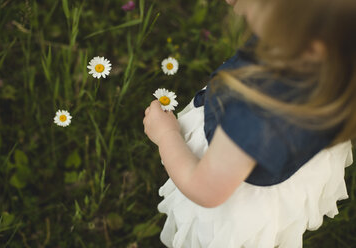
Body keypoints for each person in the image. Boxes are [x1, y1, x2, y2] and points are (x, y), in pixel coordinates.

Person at [143, 0, 355, 247]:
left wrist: (167, 135)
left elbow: (205, 188)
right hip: (288, 166)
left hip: (232, 193)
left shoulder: (254, 114)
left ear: (310, 46)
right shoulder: (337, 60)